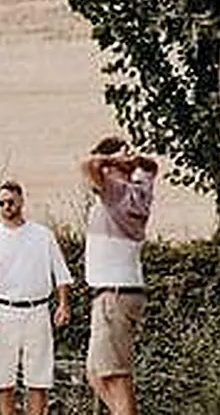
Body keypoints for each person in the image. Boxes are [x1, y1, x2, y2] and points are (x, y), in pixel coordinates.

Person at [0, 180, 73, 415]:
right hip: (4, 313)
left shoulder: (42, 235)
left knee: (38, 378)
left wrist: (63, 304)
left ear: (21, 201)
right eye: (2, 203)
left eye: (11, 202)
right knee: (2, 377)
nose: (7, 206)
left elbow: (61, 273)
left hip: (37, 312)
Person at [81, 137, 159, 415]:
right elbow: (151, 166)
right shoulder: (139, 188)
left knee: (115, 375)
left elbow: (87, 164)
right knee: (95, 373)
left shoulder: (117, 192)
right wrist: (134, 161)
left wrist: (114, 160)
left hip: (113, 295)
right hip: (121, 293)